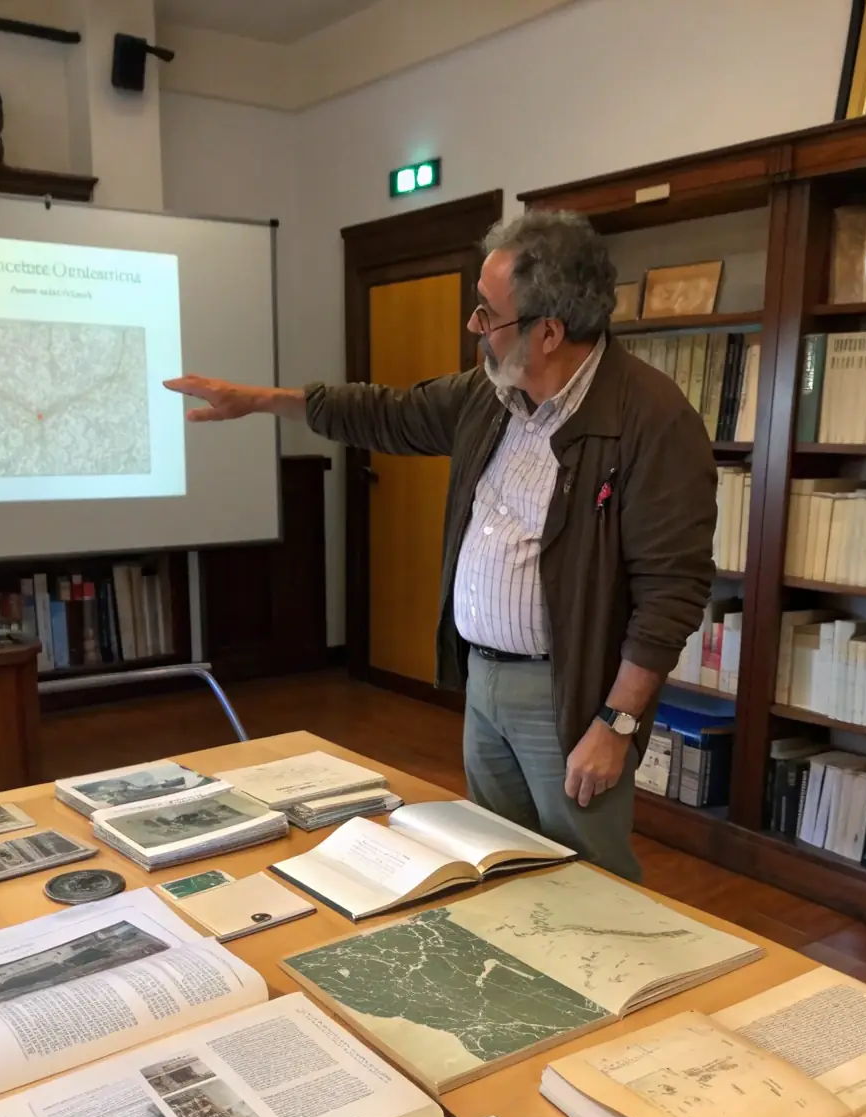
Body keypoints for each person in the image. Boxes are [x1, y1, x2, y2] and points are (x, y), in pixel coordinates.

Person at [165, 211, 716, 883]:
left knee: (589, 880)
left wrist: (616, 725)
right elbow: (385, 412)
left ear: (548, 331)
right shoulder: (491, 394)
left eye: (487, 314)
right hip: (484, 680)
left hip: (567, 696)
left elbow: (671, 593)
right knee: (500, 862)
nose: (473, 328)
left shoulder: (651, 421)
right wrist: (255, 401)